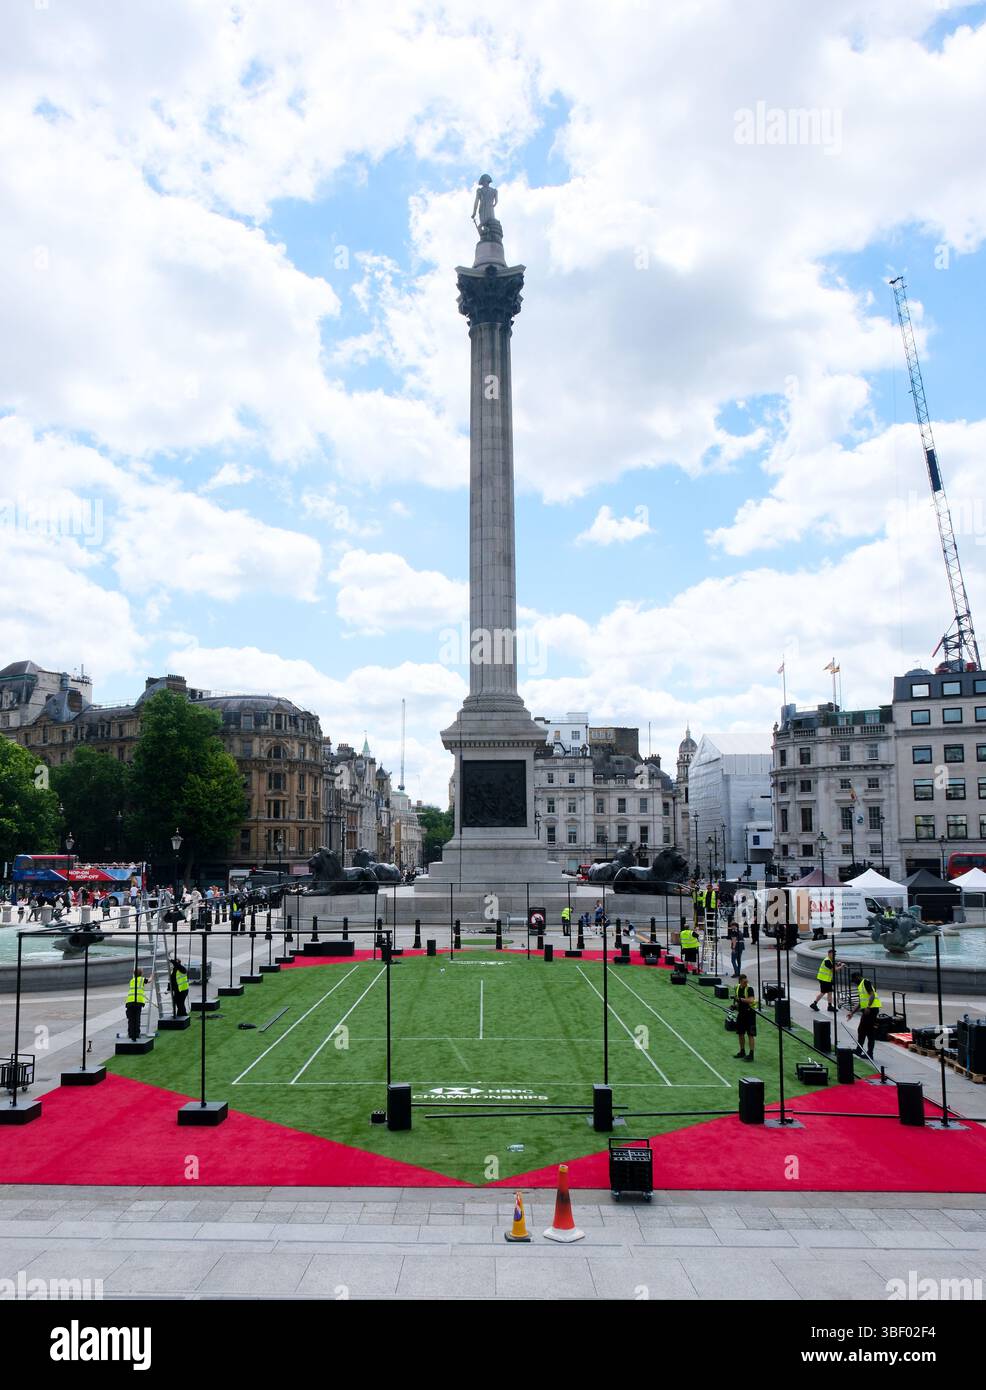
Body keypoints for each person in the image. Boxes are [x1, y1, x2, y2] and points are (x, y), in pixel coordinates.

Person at [847, 975, 881, 1060]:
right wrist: (852, 1012)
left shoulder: (865, 982)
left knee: (869, 1032)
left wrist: (868, 1007)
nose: (854, 983)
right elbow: (861, 1002)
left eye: (854, 980)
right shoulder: (861, 986)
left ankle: (869, 1053)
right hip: (867, 1011)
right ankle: (860, 1050)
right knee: (862, 1030)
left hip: (871, 1010)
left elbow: (872, 994)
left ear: (857, 977)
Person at [732, 973, 758, 1060]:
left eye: (746, 981)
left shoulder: (749, 989)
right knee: (740, 1033)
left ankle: (751, 1054)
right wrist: (735, 1006)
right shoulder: (737, 987)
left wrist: (740, 999)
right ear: (740, 982)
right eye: (744, 982)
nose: (746, 983)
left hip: (750, 1014)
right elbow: (738, 1000)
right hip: (741, 1013)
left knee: (750, 1034)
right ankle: (742, 1051)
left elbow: (751, 1000)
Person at [810, 947, 844, 1013]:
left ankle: (829, 1006)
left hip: (826, 979)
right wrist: (841, 966)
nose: (834, 955)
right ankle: (815, 1004)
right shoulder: (827, 960)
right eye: (833, 954)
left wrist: (837, 964)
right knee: (824, 992)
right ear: (829, 954)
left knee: (829, 992)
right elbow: (834, 969)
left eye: (835, 954)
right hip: (824, 979)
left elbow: (833, 965)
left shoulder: (829, 960)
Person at [124, 971, 148, 1041]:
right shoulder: (141, 979)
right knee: (137, 1019)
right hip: (138, 1002)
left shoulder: (132, 980)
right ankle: (136, 1034)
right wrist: (152, 977)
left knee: (131, 1019)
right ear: (141, 974)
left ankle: (131, 1034)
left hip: (129, 1002)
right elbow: (148, 981)